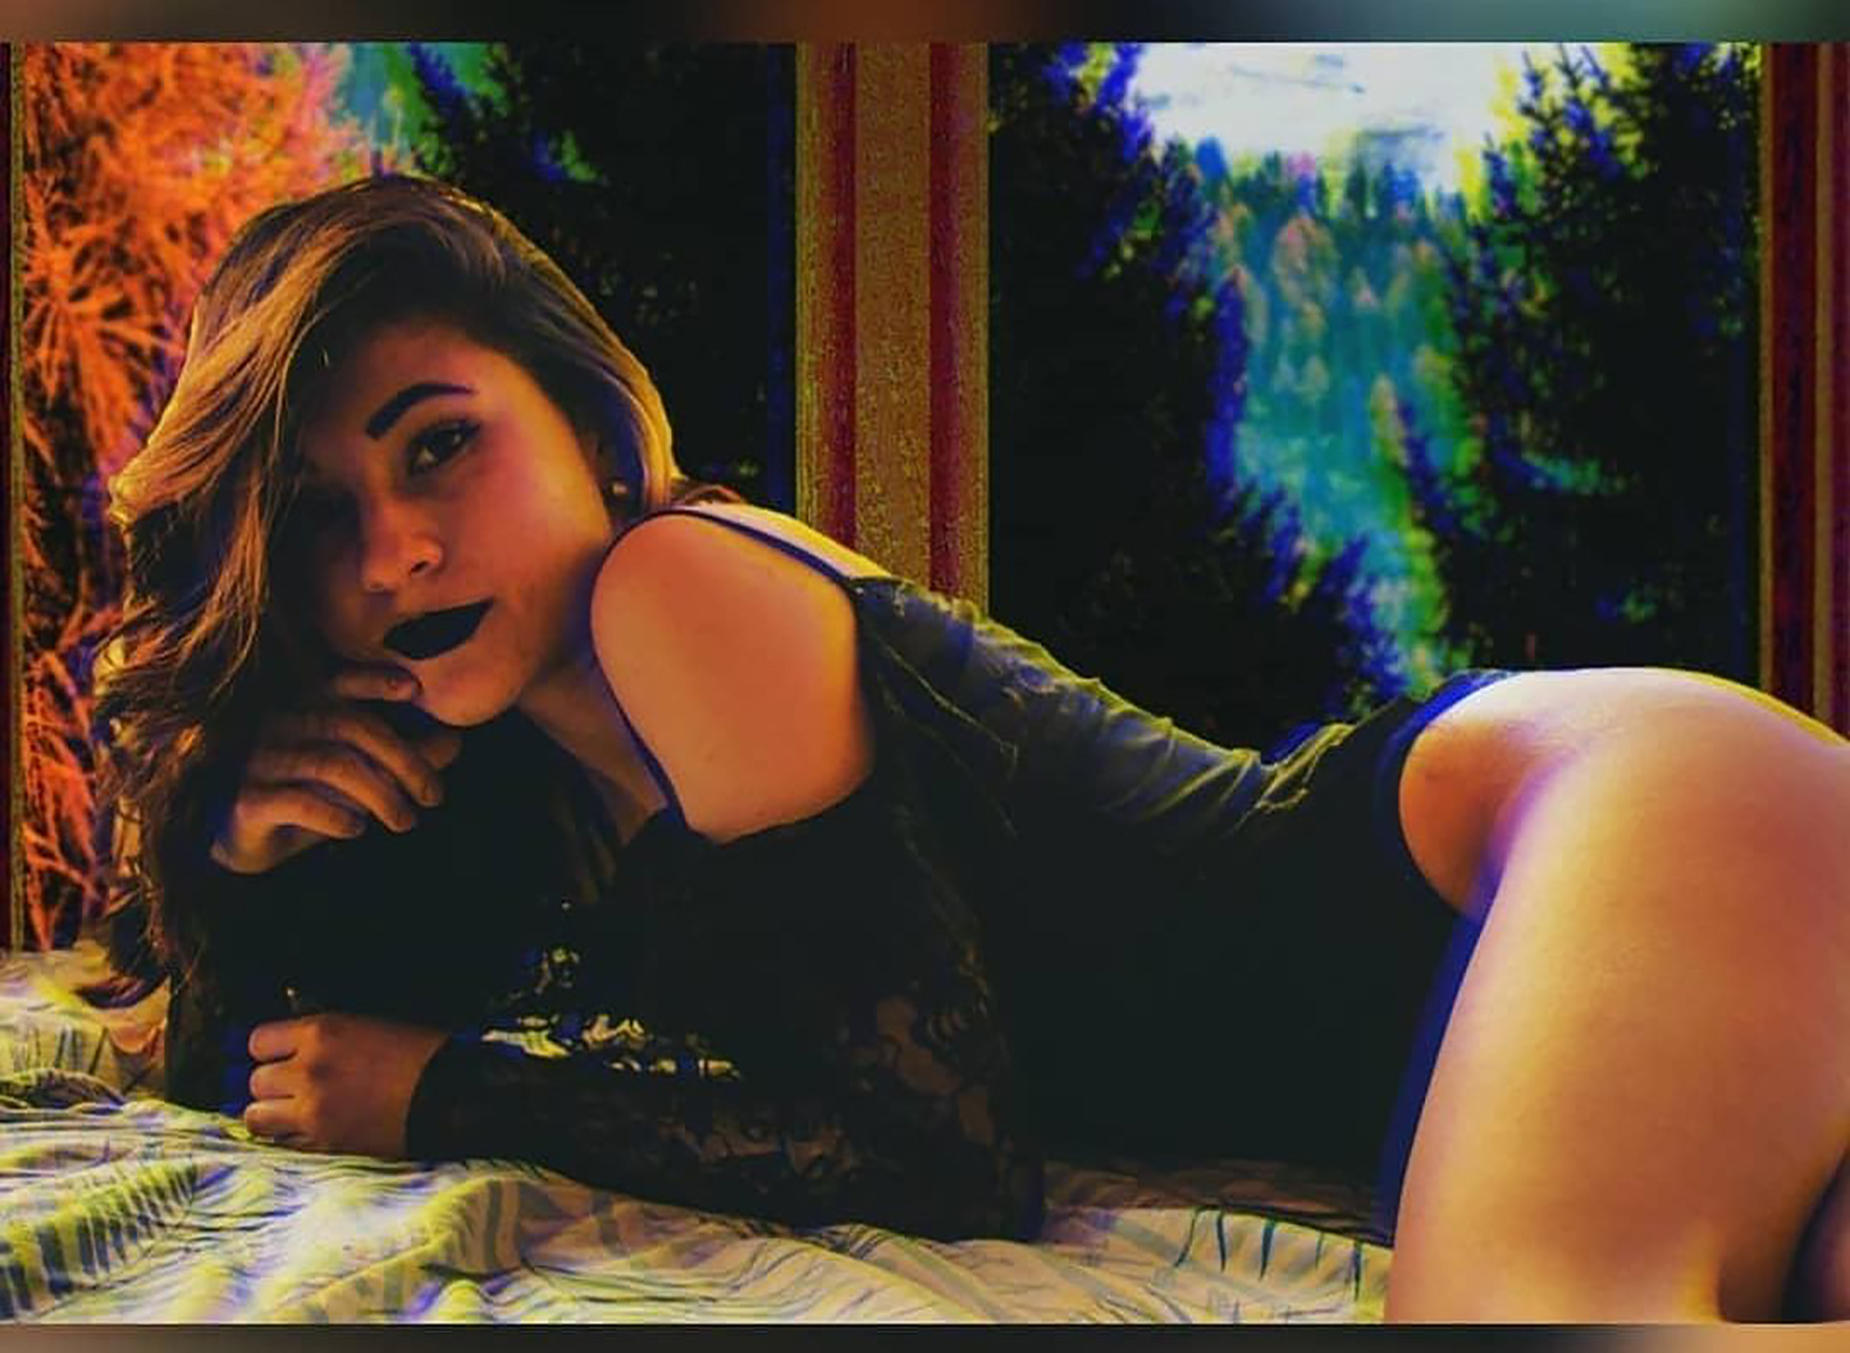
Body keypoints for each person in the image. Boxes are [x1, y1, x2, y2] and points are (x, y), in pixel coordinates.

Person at [85, 174, 1850, 1323]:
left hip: (1565, 824)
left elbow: (937, 1151)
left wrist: (451, 1093)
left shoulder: (676, 588)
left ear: (593, 425)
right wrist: (238, 856)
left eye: (438, 447)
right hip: (1556, 965)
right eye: (317, 513)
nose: (392, 551)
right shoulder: (533, 778)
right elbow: (266, 1071)